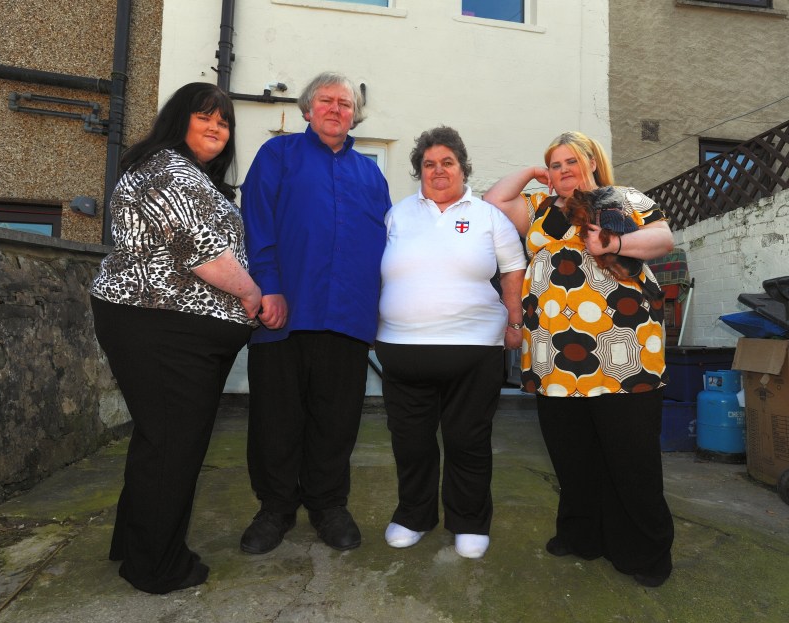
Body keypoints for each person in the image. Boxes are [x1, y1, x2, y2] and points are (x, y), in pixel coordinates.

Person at [483, 131, 676, 586]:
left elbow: (663, 239)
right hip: (555, 359)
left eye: (571, 160)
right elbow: (493, 201)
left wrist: (612, 245)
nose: (563, 169)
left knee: (630, 458)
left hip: (621, 353)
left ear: (592, 161)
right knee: (572, 457)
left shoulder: (622, 198)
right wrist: (535, 173)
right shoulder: (540, 209)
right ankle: (581, 535)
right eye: (554, 163)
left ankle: (644, 553)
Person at [90, 82, 262, 594]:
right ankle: (156, 568)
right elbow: (202, 250)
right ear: (178, 119)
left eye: (225, 122)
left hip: (167, 327)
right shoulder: (168, 168)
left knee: (159, 440)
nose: (216, 127)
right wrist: (251, 295)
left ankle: (134, 546)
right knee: (173, 446)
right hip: (160, 325)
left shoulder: (184, 173)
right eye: (205, 116)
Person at [239, 72, 391, 554]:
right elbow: (256, 225)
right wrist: (271, 289)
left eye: (345, 104)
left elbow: (388, 247)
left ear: (354, 115)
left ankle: (328, 505)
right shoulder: (276, 157)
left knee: (337, 418)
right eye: (325, 101)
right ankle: (276, 508)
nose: (335, 109)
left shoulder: (371, 175)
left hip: (346, 317)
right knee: (276, 418)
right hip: (284, 311)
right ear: (307, 109)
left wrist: (379, 314)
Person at [375, 126, 526, 559]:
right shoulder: (398, 214)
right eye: (429, 163)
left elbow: (513, 270)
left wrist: (515, 320)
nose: (438, 171)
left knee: (467, 439)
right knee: (410, 441)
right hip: (401, 349)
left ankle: (470, 521)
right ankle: (412, 516)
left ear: (462, 167)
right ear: (418, 171)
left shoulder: (488, 216)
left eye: (447, 162)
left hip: (474, 350)